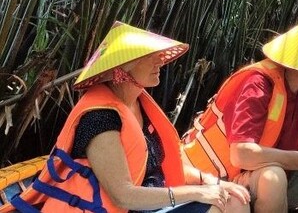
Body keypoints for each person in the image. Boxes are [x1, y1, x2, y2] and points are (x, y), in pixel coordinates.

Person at [3, 22, 249, 213]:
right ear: (122, 69)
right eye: (149, 56)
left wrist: (211, 182)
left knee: (234, 199)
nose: (160, 62)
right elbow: (123, 194)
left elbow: (159, 164)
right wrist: (195, 193)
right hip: (123, 207)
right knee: (222, 207)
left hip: (151, 202)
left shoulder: (137, 104)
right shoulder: (100, 119)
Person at [181, 15, 298, 213]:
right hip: (220, 178)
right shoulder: (257, 83)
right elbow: (242, 154)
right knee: (273, 177)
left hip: (275, 178)